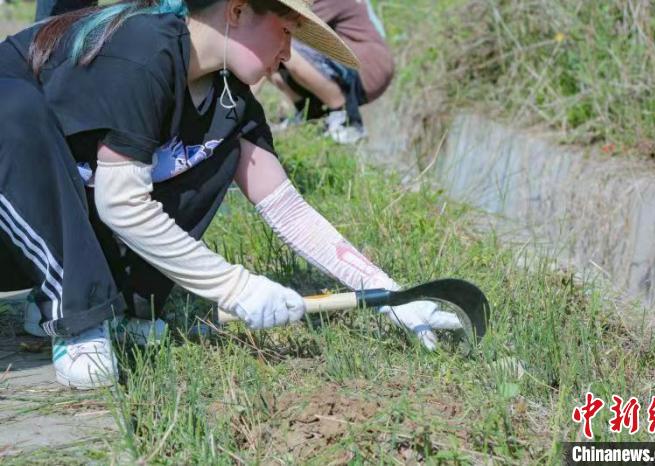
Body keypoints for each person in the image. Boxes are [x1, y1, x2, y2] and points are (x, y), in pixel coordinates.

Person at [0, 0, 460, 390]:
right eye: (284, 32)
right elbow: (121, 204)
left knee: (214, 153)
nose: (286, 55)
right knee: (13, 111)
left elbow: (290, 213)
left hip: (37, 239)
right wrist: (236, 287)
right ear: (237, 10)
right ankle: (75, 317)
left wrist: (393, 296)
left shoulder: (230, 100)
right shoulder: (144, 50)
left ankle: (114, 303)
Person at [267, 0, 394, 144]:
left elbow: (287, 27)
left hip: (367, 68)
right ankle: (310, 114)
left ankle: (346, 118)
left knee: (282, 45)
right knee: (272, 56)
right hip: (355, 67)